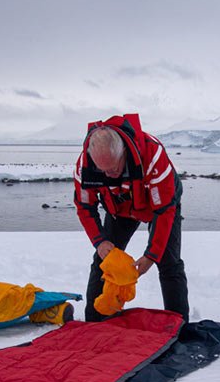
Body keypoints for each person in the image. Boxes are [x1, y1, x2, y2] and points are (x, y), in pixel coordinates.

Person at [74, 113, 189, 322]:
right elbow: (84, 207)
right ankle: (93, 322)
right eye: (103, 170)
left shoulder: (153, 156)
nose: (108, 175)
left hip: (159, 203)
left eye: (113, 169)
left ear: (124, 153)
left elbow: (164, 211)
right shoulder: (85, 166)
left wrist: (151, 255)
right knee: (104, 259)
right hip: (120, 206)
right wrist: (99, 241)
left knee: (168, 262)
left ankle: (177, 324)